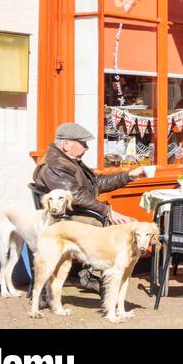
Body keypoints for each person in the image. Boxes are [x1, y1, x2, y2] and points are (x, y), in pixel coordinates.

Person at [32, 123, 147, 293]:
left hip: (76, 212)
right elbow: (76, 196)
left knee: (126, 224)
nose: (86, 148)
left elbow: (96, 184)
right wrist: (107, 211)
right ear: (66, 145)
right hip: (66, 218)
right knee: (115, 228)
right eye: (83, 143)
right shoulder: (55, 165)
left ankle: (100, 273)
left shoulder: (69, 161)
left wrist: (128, 175)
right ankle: (94, 274)